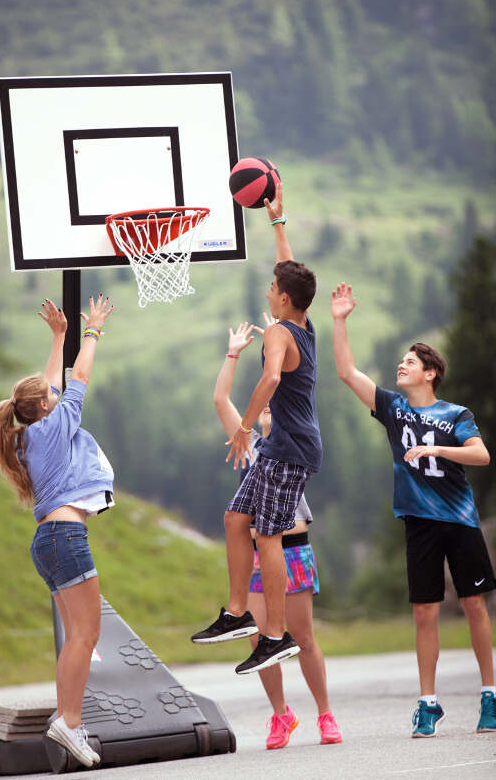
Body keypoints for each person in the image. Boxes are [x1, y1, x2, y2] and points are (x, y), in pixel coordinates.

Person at [331, 281, 496, 737]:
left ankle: (491, 695)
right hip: (419, 525)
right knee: (425, 611)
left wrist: (437, 451)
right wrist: (340, 320)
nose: (401, 366)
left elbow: (481, 455)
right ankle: (429, 703)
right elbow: (346, 372)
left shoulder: (454, 414)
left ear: (430, 374)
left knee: (474, 605)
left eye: (410, 362)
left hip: (460, 520)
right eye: (401, 361)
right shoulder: (393, 408)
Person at [191, 183, 324, 677]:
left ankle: (274, 636)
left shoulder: (277, 332)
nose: (268, 290)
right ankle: (237, 614)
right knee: (235, 520)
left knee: (268, 537)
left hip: (288, 448)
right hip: (286, 447)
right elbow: (290, 273)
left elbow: (269, 378)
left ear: (284, 300)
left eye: (273, 289)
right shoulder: (303, 323)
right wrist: (277, 223)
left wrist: (245, 427)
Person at [0, 294, 114, 767]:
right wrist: (92, 329)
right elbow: (77, 378)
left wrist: (59, 336)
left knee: (78, 634)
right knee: (86, 634)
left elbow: (52, 383)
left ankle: (67, 719)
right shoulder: (56, 425)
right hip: (65, 537)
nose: (57, 395)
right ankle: (69, 723)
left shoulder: (33, 433)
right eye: (50, 395)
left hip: (48, 540)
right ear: (44, 404)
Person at [212, 319, 342, 748]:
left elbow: (285, 382)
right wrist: (233, 353)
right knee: (257, 634)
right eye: (262, 407)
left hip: (293, 549)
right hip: (257, 554)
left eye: (270, 405)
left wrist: (281, 342)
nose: (266, 408)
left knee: (302, 637)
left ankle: (325, 713)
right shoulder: (248, 445)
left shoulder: (291, 445)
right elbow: (221, 399)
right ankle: (281, 715)